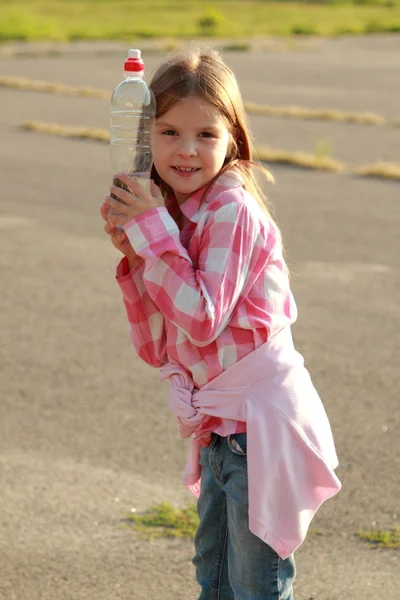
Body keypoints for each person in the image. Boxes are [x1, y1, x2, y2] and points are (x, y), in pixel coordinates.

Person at [101, 47, 341, 600]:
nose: (186, 151)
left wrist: (154, 236)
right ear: (144, 137)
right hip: (222, 430)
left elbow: (203, 320)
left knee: (254, 585)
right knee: (214, 576)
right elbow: (158, 346)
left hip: (260, 427)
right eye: (168, 132)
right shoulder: (178, 214)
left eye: (206, 135)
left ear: (233, 138)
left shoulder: (230, 209)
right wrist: (138, 253)